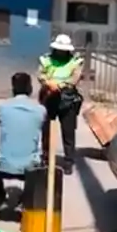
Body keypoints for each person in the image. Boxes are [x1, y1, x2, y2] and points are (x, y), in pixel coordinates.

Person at [0, 72, 46, 212]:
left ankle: (0, 198)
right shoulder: (40, 110)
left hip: (4, 167)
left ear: (13, 88)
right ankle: (26, 200)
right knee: (42, 163)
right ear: (30, 88)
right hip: (29, 169)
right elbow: (43, 125)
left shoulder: (1, 108)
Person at [37, 34, 84, 174]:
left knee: (68, 132)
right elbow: (41, 75)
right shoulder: (45, 60)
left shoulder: (76, 61)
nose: (61, 52)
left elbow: (75, 78)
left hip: (68, 100)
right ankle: (45, 158)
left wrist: (60, 85)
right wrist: (47, 83)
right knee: (46, 131)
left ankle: (68, 161)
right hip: (49, 97)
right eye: (59, 49)